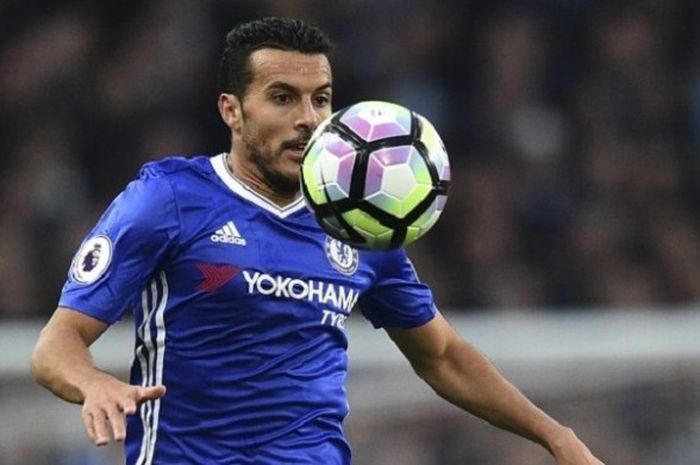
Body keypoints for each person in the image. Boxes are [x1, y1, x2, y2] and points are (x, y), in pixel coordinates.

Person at [31, 16, 605, 465]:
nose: (309, 118)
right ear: (232, 110)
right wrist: (96, 385)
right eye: (283, 97)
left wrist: (553, 434)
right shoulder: (170, 200)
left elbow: (444, 356)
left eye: (321, 99)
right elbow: (55, 348)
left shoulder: (358, 221)